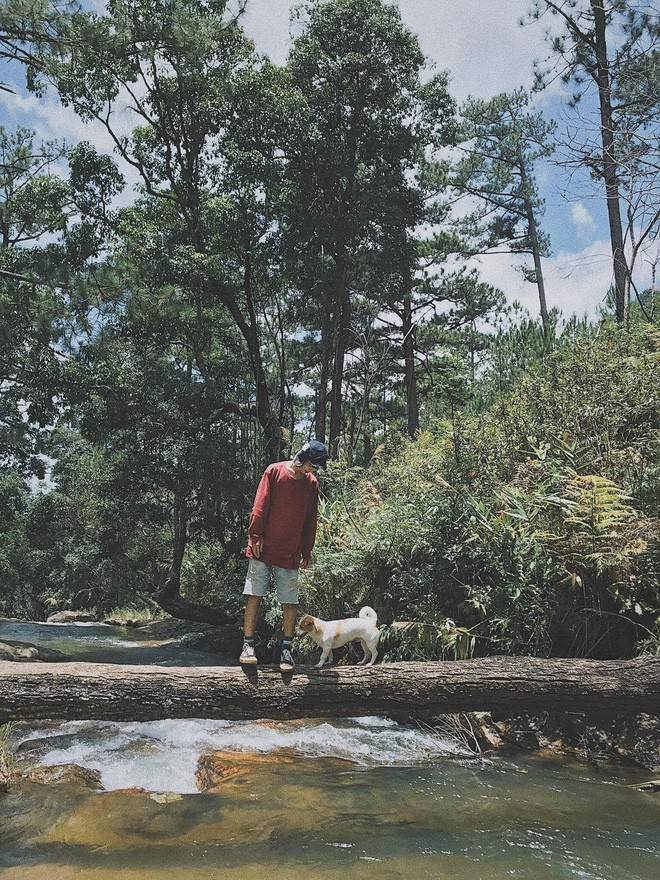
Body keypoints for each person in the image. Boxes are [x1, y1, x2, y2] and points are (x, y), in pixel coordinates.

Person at [239, 439, 329, 672]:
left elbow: (311, 519)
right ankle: (248, 647)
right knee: (254, 595)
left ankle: (286, 651)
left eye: (316, 468)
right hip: (263, 548)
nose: (313, 470)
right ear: (303, 458)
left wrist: (307, 549)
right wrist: (255, 536)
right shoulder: (274, 472)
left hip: (290, 551)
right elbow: (260, 505)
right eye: (313, 465)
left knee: (290, 602)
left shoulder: (311, 484)